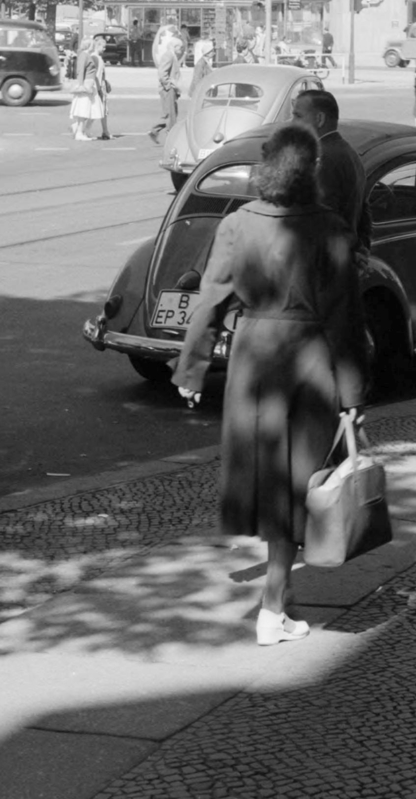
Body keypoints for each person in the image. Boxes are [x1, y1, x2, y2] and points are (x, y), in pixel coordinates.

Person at [172, 123, 367, 645]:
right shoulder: (329, 229)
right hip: (309, 365)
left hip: (253, 362)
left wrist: (190, 370)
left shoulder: (237, 225)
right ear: (311, 174)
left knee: (268, 486)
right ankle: (272, 607)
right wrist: (353, 398)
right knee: (298, 488)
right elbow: (346, 321)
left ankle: (282, 604)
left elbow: (210, 301)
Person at [291, 87, 372, 252]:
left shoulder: (324, 158)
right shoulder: (349, 153)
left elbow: (320, 217)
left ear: (319, 119)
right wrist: (361, 251)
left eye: (298, 116)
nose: (292, 122)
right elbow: (364, 214)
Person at [149, 28, 185, 143]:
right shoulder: (168, 55)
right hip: (168, 89)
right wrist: (168, 85)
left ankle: (155, 131)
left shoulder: (172, 55)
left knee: (170, 113)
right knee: (171, 114)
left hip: (171, 89)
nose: (181, 50)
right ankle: (171, 137)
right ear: (174, 47)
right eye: (180, 48)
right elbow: (162, 72)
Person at [70, 38, 110, 141]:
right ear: (89, 45)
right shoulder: (84, 55)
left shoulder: (86, 55)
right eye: (92, 44)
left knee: (92, 109)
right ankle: (79, 132)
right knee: (84, 109)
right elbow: (80, 71)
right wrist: (81, 85)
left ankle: (82, 131)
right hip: (87, 86)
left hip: (89, 85)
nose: (94, 45)